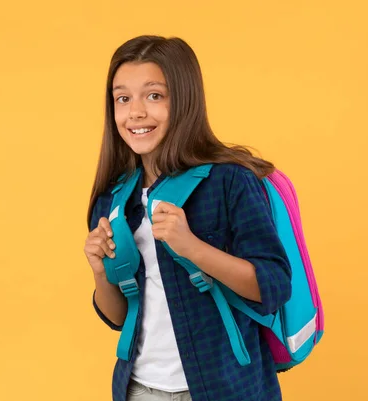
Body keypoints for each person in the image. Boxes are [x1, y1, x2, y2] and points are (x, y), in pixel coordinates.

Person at [84, 35, 292, 401]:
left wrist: (192, 247)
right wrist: (100, 271)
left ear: (184, 100)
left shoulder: (229, 181)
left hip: (226, 388)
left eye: (154, 96)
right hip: (139, 389)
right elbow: (118, 317)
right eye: (123, 98)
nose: (135, 112)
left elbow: (273, 287)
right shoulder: (113, 199)